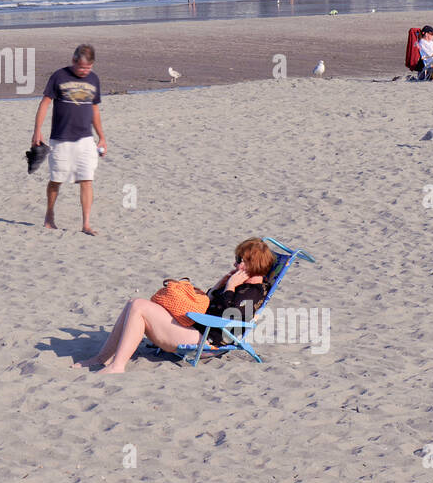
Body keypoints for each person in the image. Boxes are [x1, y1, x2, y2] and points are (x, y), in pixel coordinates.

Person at [74, 238, 276, 373]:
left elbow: (227, 321)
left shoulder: (252, 293)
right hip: (196, 328)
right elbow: (209, 305)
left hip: (206, 341)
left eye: (240, 260)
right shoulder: (242, 285)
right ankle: (102, 358)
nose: (235, 265)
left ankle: (117, 366)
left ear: (254, 263)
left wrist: (230, 287)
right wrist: (218, 287)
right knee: (133, 303)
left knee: (139, 307)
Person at [32, 44, 105, 235]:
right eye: (81, 67)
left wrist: (102, 137)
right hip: (61, 139)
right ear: (73, 61)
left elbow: (95, 109)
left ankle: (86, 224)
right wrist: (37, 131)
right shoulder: (59, 76)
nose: (84, 71)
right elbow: (45, 103)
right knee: (56, 179)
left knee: (87, 179)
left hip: (85, 139)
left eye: (88, 68)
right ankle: (49, 215)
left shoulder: (94, 79)